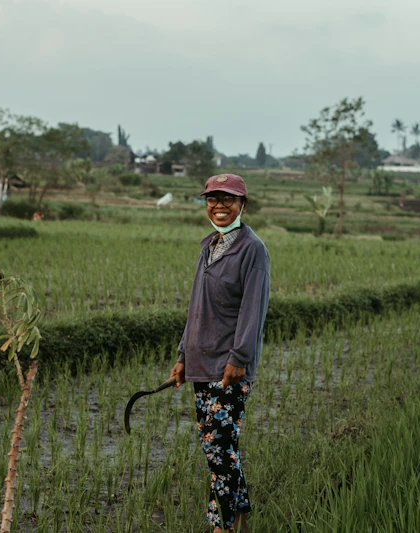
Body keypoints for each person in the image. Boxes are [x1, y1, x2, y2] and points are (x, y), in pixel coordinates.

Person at [170, 173, 270, 533]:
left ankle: (221, 525)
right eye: (212, 199)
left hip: (228, 367)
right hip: (200, 362)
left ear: (243, 205)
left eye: (228, 199)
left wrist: (239, 358)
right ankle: (240, 519)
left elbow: (252, 309)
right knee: (219, 449)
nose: (219, 205)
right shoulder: (209, 245)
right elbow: (197, 306)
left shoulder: (252, 249)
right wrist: (183, 356)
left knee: (218, 449)